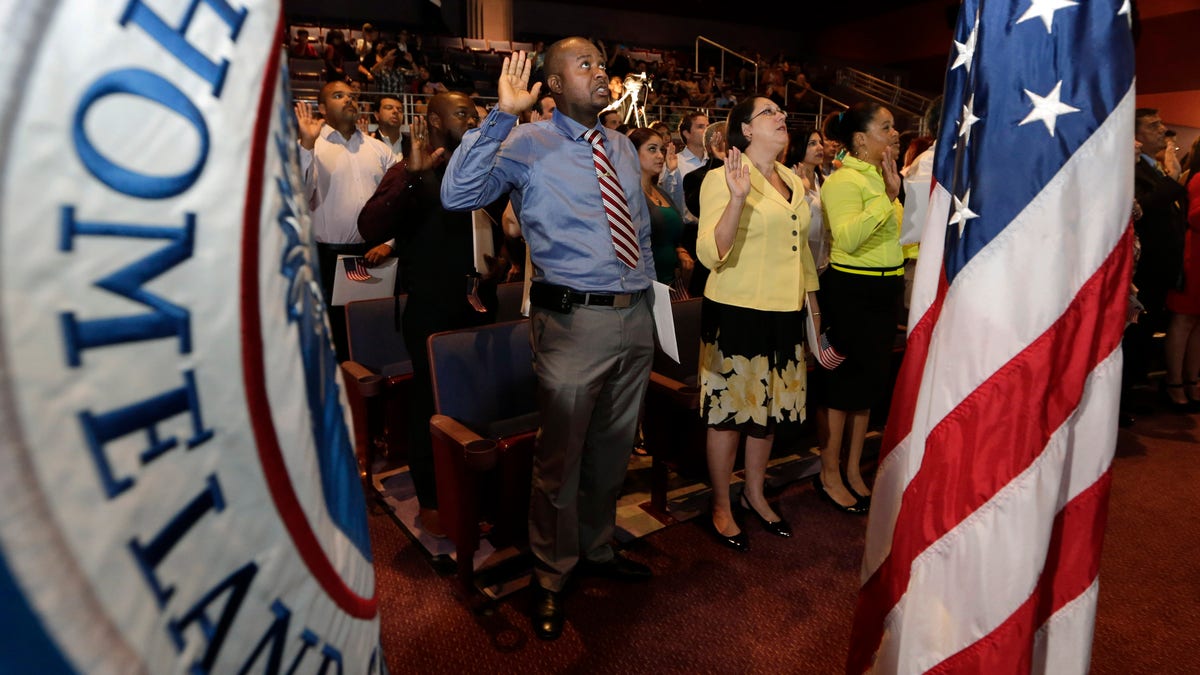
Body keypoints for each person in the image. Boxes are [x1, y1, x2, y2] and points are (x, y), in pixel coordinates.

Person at [440, 42, 656, 642]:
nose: (601, 72)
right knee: (559, 462)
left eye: (602, 64)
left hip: (634, 316)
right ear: (554, 85)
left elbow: (633, 230)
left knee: (612, 453)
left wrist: (644, 302)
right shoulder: (526, 142)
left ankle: (597, 549)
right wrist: (502, 116)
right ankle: (551, 575)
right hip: (572, 325)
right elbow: (456, 195)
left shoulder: (617, 145)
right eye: (585, 65)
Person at [357, 92, 498, 537]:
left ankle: (474, 491)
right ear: (433, 120)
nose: (472, 120)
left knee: (475, 403)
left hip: (476, 303)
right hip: (431, 308)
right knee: (432, 405)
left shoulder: (479, 168)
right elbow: (370, 226)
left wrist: (502, 260)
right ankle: (431, 497)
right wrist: (413, 181)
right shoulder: (410, 170)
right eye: (462, 114)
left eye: (475, 114)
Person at [696, 97, 822, 551]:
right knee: (730, 414)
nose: (781, 117)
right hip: (738, 312)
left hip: (785, 312)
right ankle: (722, 503)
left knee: (766, 412)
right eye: (769, 113)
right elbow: (712, 253)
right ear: (745, 131)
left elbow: (802, 254)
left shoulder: (792, 178)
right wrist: (736, 199)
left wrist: (813, 316)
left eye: (782, 113)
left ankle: (753, 493)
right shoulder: (721, 178)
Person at [815, 101, 903, 513]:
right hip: (853, 289)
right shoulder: (843, 181)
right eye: (886, 128)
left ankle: (853, 470)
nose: (895, 134)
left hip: (887, 288)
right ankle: (829, 473)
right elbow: (848, 239)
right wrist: (887, 197)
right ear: (862, 139)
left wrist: (891, 192)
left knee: (869, 384)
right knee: (842, 386)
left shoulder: (886, 176)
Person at [294, 81, 397, 362]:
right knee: (333, 339)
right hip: (328, 260)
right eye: (339, 96)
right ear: (323, 108)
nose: (349, 100)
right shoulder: (309, 146)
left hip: (375, 254)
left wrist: (389, 243)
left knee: (373, 334)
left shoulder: (379, 150)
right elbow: (300, 197)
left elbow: (395, 203)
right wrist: (305, 145)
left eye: (352, 96)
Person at [629, 127, 693, 287]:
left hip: (671, 282)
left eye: (661, 150)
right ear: (633, 153)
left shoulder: (660, 192)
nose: (660, 155)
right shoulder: (629, 195)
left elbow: (674, 226)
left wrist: (679, 250)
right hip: (646, 285)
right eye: (652, 149)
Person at [1163, 135, 1200, 411]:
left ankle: (1192, 380)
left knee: (1197, 323)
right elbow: (1195, 216)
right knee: (1184, 320)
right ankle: (1175, 383)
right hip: (1193, 255)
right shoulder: (1198, 178)